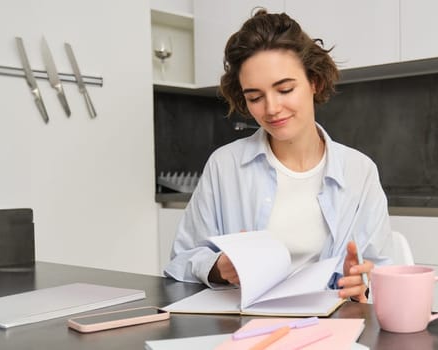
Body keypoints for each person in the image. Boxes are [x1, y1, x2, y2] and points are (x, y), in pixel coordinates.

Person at [163, 9, 392, 303]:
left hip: (327, 330)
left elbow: (384, 274)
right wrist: (219, 267)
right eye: (255, 97)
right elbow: (180, 261)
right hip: (245, 330)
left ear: (315, 82)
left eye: (284, 89)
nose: (271, 108)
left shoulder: (360, 172)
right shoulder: (225, 165)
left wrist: (363, 286)